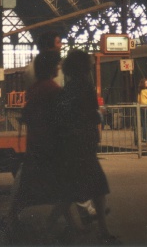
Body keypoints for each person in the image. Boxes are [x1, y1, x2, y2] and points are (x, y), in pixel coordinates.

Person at [56, 49, 118, 244]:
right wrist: (99, 115)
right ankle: (102, 230)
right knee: (97, 188)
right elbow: (92, 115)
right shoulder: (85, 87)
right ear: (83, 66)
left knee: (72, 188)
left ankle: (75, 227)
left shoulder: (68, 88)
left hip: (73, 145)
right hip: (84, 145)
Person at [5, 51, 70, 232]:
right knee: (67, 186)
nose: (59, 67)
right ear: (50, 68)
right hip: (50, 145)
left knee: (28, 185)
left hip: (36, 143)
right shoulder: (53, 89)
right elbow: (60, 117)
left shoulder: (34, 88)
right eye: (56, 65)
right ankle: (52, 224)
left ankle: (12, 217)